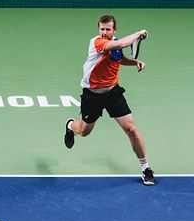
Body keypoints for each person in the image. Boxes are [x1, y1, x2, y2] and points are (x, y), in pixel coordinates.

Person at [64, 14, 156, 186]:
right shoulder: (97, 43)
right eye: (102, 29)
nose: (105, 32)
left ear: (114, 30)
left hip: (113, 93)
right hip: (92, 95)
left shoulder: (116, 42)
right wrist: (138, 34)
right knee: (84, 131)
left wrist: (134, 62)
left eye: (108, 29)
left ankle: (146, 168)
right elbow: (120, 44)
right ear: (98, 29)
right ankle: (70, 125)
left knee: (131, 129)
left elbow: (119, 58)